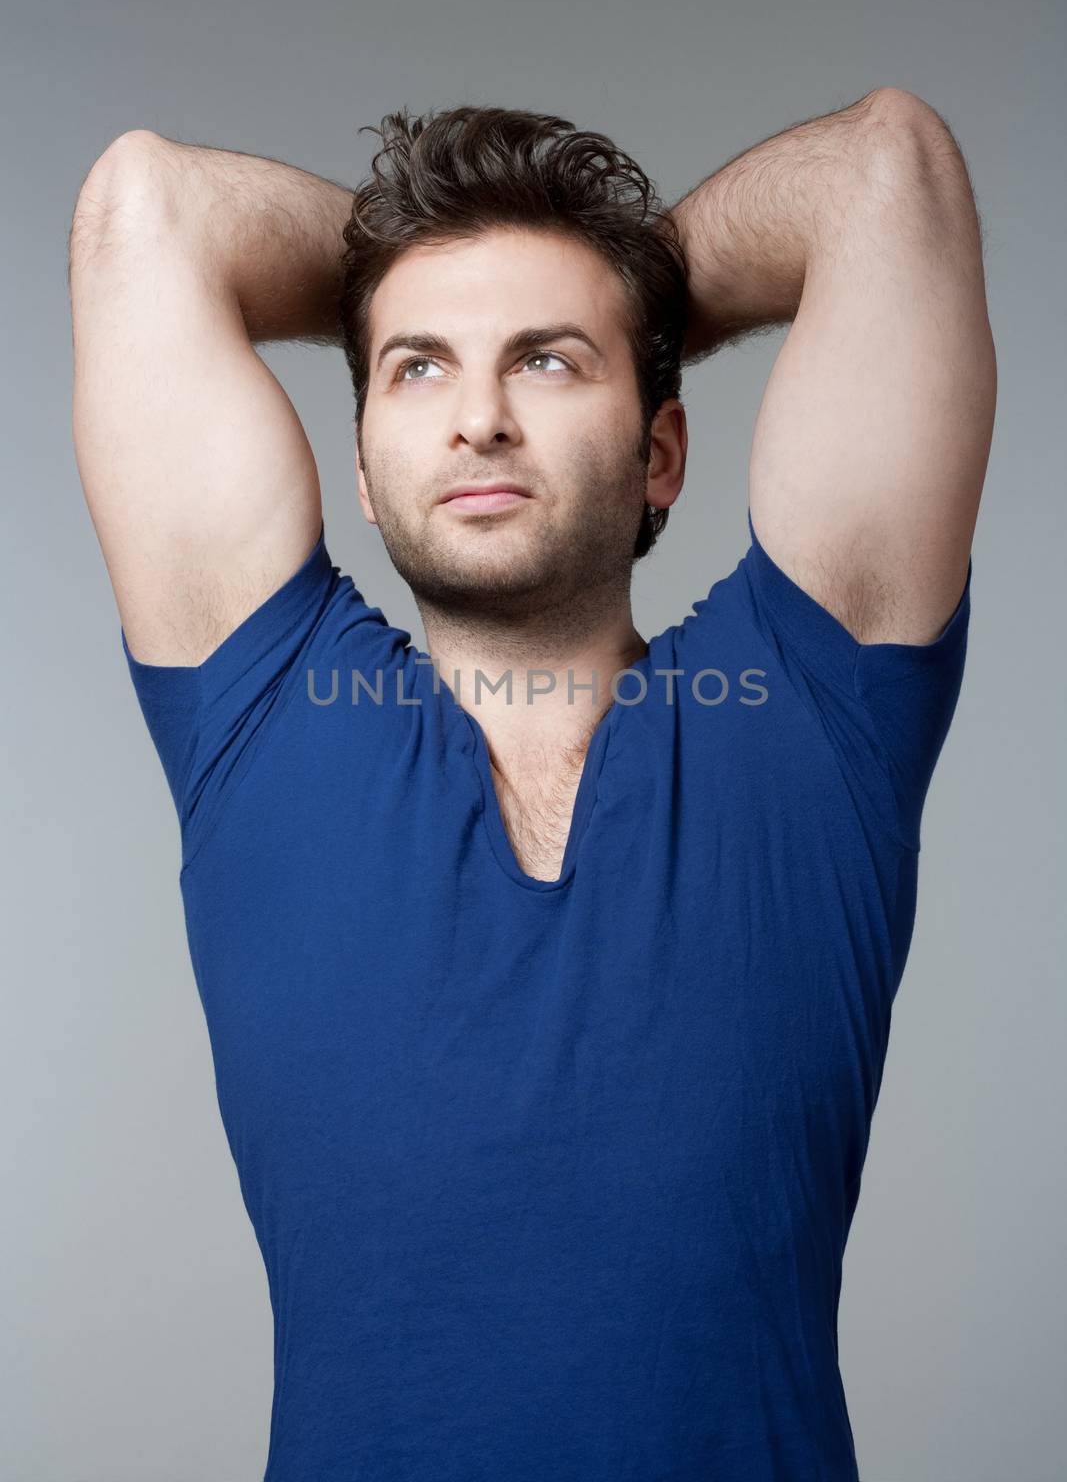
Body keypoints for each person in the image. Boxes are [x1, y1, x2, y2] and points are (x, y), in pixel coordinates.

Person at [68, 91, 995, 1481]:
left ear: (660, 453)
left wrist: (621, 271)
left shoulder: (814, 707)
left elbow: (888, 172)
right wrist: (494, 271)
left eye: (550, 365)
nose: (481, 418)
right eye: (420, 369)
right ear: (366, 477)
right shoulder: (261, 713)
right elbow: (145, 209)